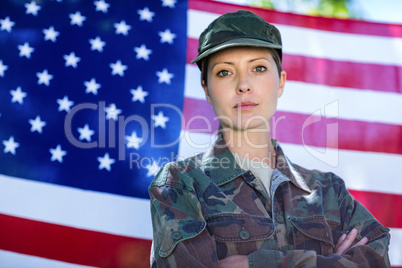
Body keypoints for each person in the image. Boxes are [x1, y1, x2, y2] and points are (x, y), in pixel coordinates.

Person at [149, 10, 390, 268]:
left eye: (259, 68)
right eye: (224, 72)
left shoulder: (329, 192)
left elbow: (377, 258)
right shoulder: (181, 184)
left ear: (281, 82)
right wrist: (332, 262)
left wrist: (255, 263)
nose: (243, 84)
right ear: (206, 89)